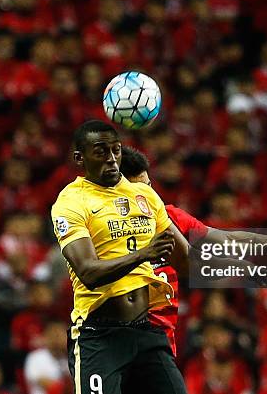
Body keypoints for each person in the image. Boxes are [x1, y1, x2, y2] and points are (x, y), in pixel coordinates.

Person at [119, 145, 267, 356]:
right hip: (114, 337)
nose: (149, 195)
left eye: (149, 186)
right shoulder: (100, 228)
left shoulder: (171, 217)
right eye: (140, 189)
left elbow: (228, 237)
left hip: (157, 341)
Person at [51, 120, 188, 394]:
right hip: (99, 336)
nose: (112, 159)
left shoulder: (144, 195)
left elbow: (189, 261)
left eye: (116, 151)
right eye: (101, 152)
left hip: (145, 330)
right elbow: (89, 273)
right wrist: (143, 254)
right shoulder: (70, 202)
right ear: (80, 158)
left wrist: (249, 272)